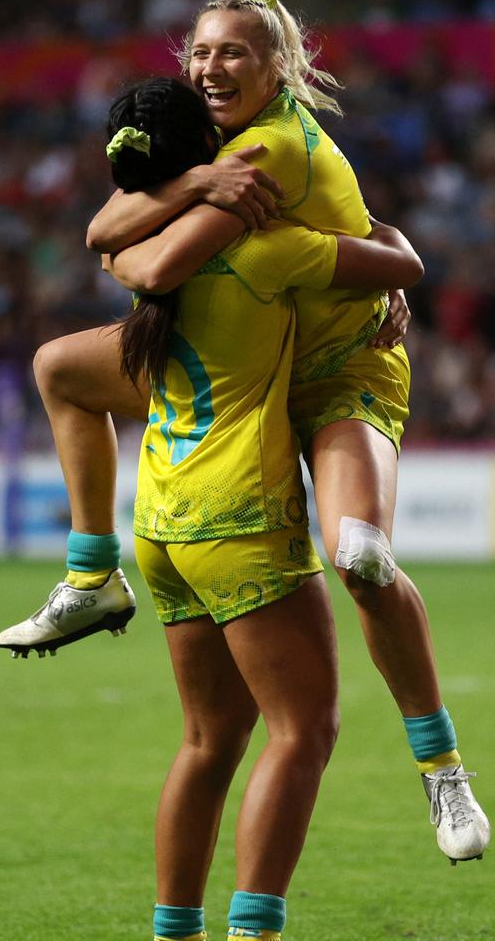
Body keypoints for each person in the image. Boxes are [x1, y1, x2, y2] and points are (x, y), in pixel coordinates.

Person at [0, 0, 490, 866]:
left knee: (361, 557)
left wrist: (386, 267)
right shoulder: (210, 145)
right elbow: (104, 224)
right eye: (200, 52)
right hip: (256, 355)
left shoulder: (267, 152)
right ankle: (90, 573)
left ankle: (441, 764)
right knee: (61, 369)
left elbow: (145, 261)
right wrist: (190, 178)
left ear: (283, 67)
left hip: (338, 372)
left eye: (233, 52)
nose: (210, 66)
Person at [101, 76, 424, 941]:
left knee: (208, 746)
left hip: (160, 520)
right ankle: (254, 934)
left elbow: (109, 263)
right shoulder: (267, 249)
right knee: (302, 733)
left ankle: (175, 933)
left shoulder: (136, 258)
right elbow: (401, 267)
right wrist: (381, 257)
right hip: (238, 513)